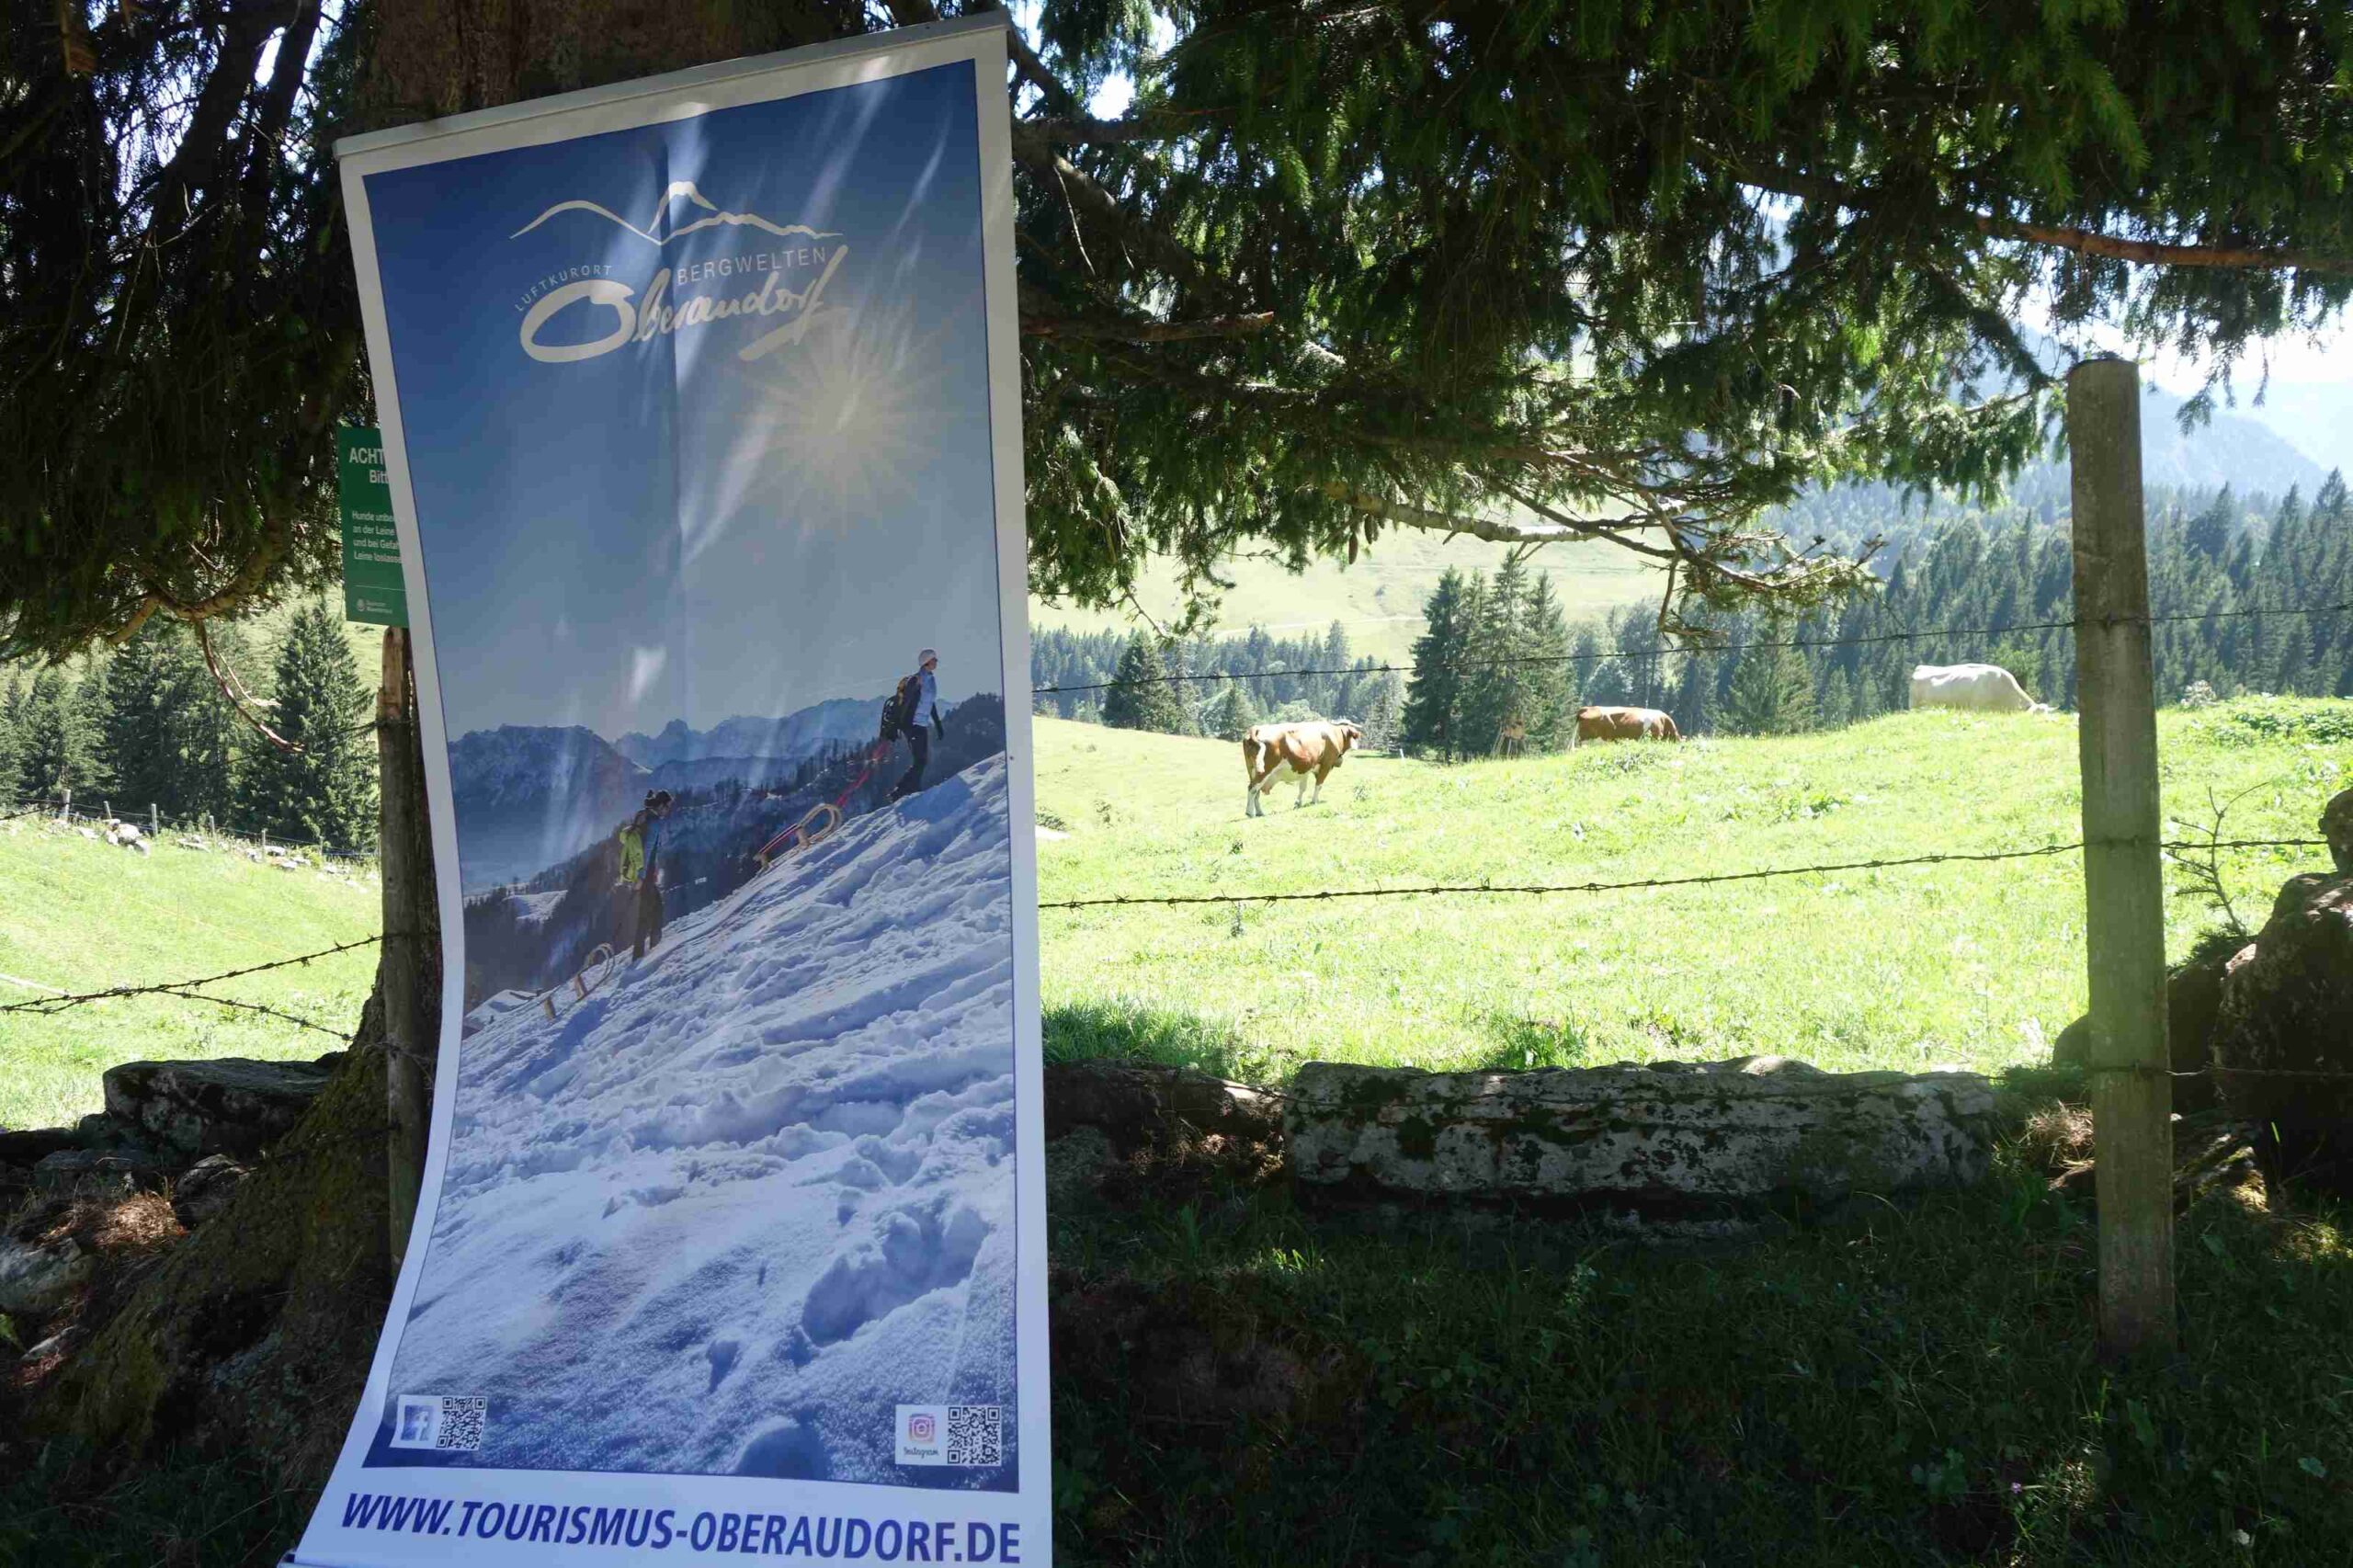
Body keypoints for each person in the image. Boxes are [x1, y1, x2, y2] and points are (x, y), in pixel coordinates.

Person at [882, 648, 948, 801]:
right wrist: (895, 726)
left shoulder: (931, 680)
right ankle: (898, 792)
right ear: (927, 662)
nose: (936, 662)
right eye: (934, 659)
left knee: (922, 760)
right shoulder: (916, 680)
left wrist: (938, 725)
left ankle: (911, 791)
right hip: (911, 725)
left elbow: (930, 703)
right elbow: (905, 703)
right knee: (920, 760)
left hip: (922, 725)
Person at [617, 790, 674, 960]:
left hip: (645, 873)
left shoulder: (646, 817)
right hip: (644, 874)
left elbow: (648, 851)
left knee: (654, 910)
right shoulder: (654, 823)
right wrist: (642, 877)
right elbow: (647, 851)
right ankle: (642, 955)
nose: (668, 810)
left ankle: (650, 950)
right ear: (661, 805)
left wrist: (651, 870)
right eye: (668, 806)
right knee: (648, 914)